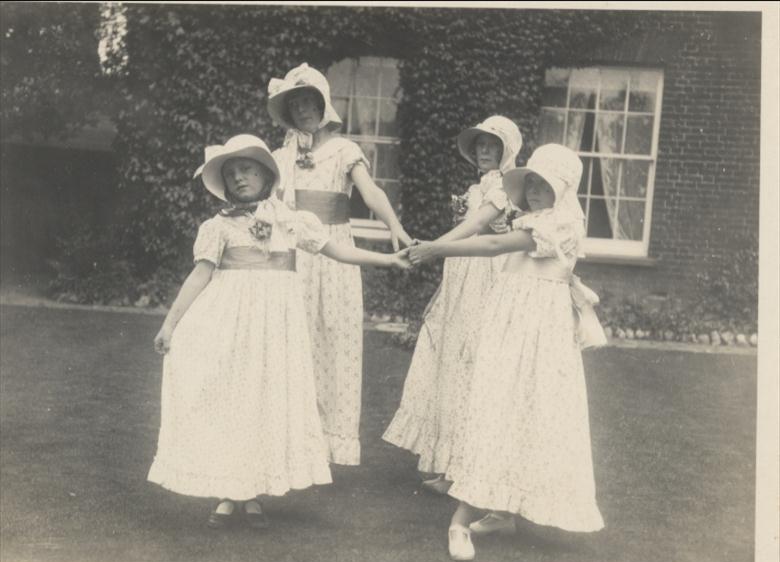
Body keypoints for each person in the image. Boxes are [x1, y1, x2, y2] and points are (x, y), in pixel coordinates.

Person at [147, 135, 409, 528]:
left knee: (264, 403)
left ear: (267, 175)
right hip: (230, 326)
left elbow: (337, 251)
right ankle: (229, 492)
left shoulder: (291, 221)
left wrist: (387, 260)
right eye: (232, 174)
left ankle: (253, 492)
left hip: (275, 332)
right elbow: (200, 275)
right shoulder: (218, 227)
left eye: (247, 170)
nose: (239, 178)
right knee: (233, 401)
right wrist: (170, 324)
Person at [407, 144, 606, 561]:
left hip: (539, 331)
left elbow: (495, 245)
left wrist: (436, 248)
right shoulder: (534, 219)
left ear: (562, 190)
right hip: (510, 322)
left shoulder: (563, 224)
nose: (533, 190)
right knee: (498, 408)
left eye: (544, 185)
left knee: (524, 412)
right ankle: (497, 511)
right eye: (530, 182)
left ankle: (465, 519)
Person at [267, 63, 413, 466]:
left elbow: (370, 192)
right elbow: (268, 205)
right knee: (292, 340)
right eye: (295, 104)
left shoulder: (344, 150)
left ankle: (332, 441)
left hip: (334, 253)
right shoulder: (280, 156)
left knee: (336, 339)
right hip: (293, 253)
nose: (302, 110)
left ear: (322, 104)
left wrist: (395, 226)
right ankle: (291, 438)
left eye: (308, 101)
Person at [382, 116, 522, 494]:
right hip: (461, 276)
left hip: (486, 278)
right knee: (451, 364)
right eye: (480, 145)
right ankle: (449, 463)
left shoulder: (505, 188)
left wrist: (434, 247)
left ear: (507, 150)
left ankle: (467, 467)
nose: (484, 151)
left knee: (472, 365)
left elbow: (475, 227)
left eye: (492, 146)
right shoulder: (477, 187)